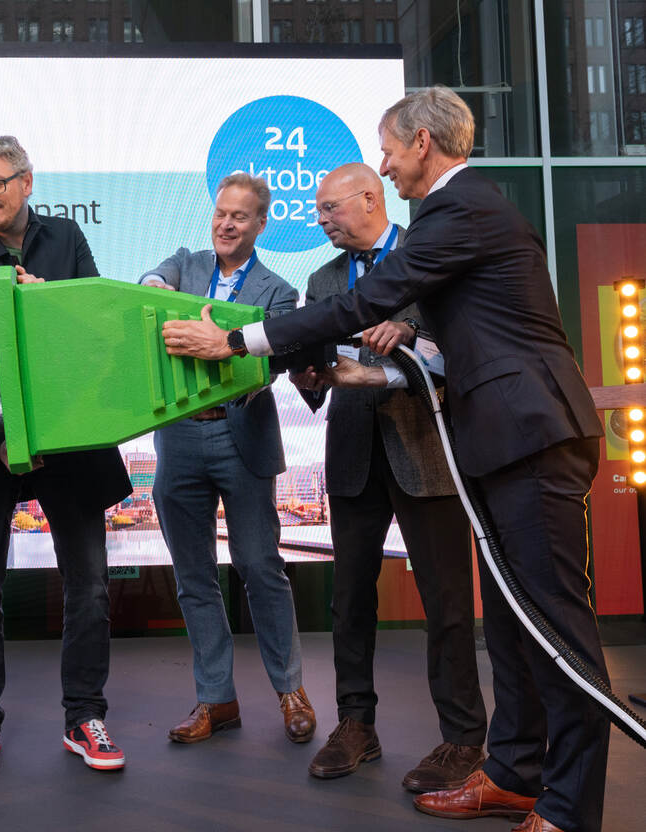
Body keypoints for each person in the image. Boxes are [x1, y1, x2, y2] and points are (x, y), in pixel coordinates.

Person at [166, 86, 608, 832]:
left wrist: (237, 341)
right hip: (498, 443)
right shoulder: (461, 212)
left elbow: (364, 304)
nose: (386, 163)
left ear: (422, 145)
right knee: (510, 624)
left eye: (388, 149)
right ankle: (514, 774)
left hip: (530, 436)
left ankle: (566, 809)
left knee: (555, 630)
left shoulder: (457, 209)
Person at [0, 135, 133, 777]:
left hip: (71, 442)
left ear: (26, 182)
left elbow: (97, 328)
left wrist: (47, 304)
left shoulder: (68, 239)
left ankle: (84, 717)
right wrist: (7, 442)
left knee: (91, 587)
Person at [293, 163, 487, 790]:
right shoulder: (321, 279)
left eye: (329, 209)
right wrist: (308, 380)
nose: (320, 221)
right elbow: (317, 376)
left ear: (370, 199)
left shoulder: (430, 256)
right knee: (349, 598)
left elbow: (459, 346)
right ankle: (357, 725)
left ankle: (462, 739)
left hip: (426, 451)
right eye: (317, 211)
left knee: (447, 600)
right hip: (352, 456)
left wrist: (409, 335)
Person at [139, 172, 315, 746]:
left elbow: (268, 366)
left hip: (240, 439)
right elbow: (149, 282)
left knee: (261, 568)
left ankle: (290, 691)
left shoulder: (278, 292)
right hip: (180, 441)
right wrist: (153, 286)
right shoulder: (186, 264)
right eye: (220, 212)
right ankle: (216, 700)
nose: (226, 223)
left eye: (240, 216)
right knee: (193, 580)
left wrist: (222, 350)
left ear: (261, 224)